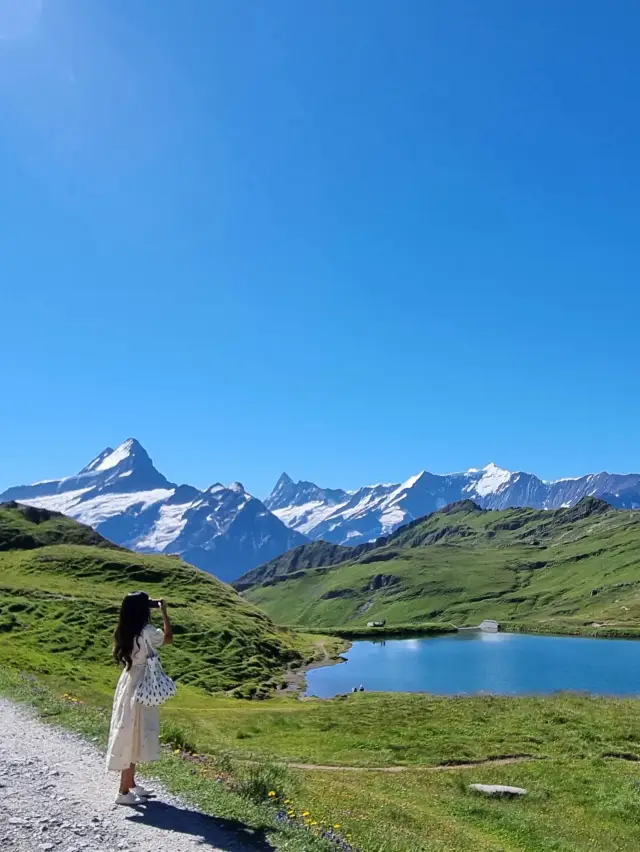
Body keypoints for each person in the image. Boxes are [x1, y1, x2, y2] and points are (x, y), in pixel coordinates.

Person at [105, 591, 173, 805]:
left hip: (129, 680)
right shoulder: (147, 631)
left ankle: (131, 784)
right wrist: (163, 611)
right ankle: (123, 791)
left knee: (129, 728)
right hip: (143, 684)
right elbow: (168, 638)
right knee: (135, 734)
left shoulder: (123, 630)